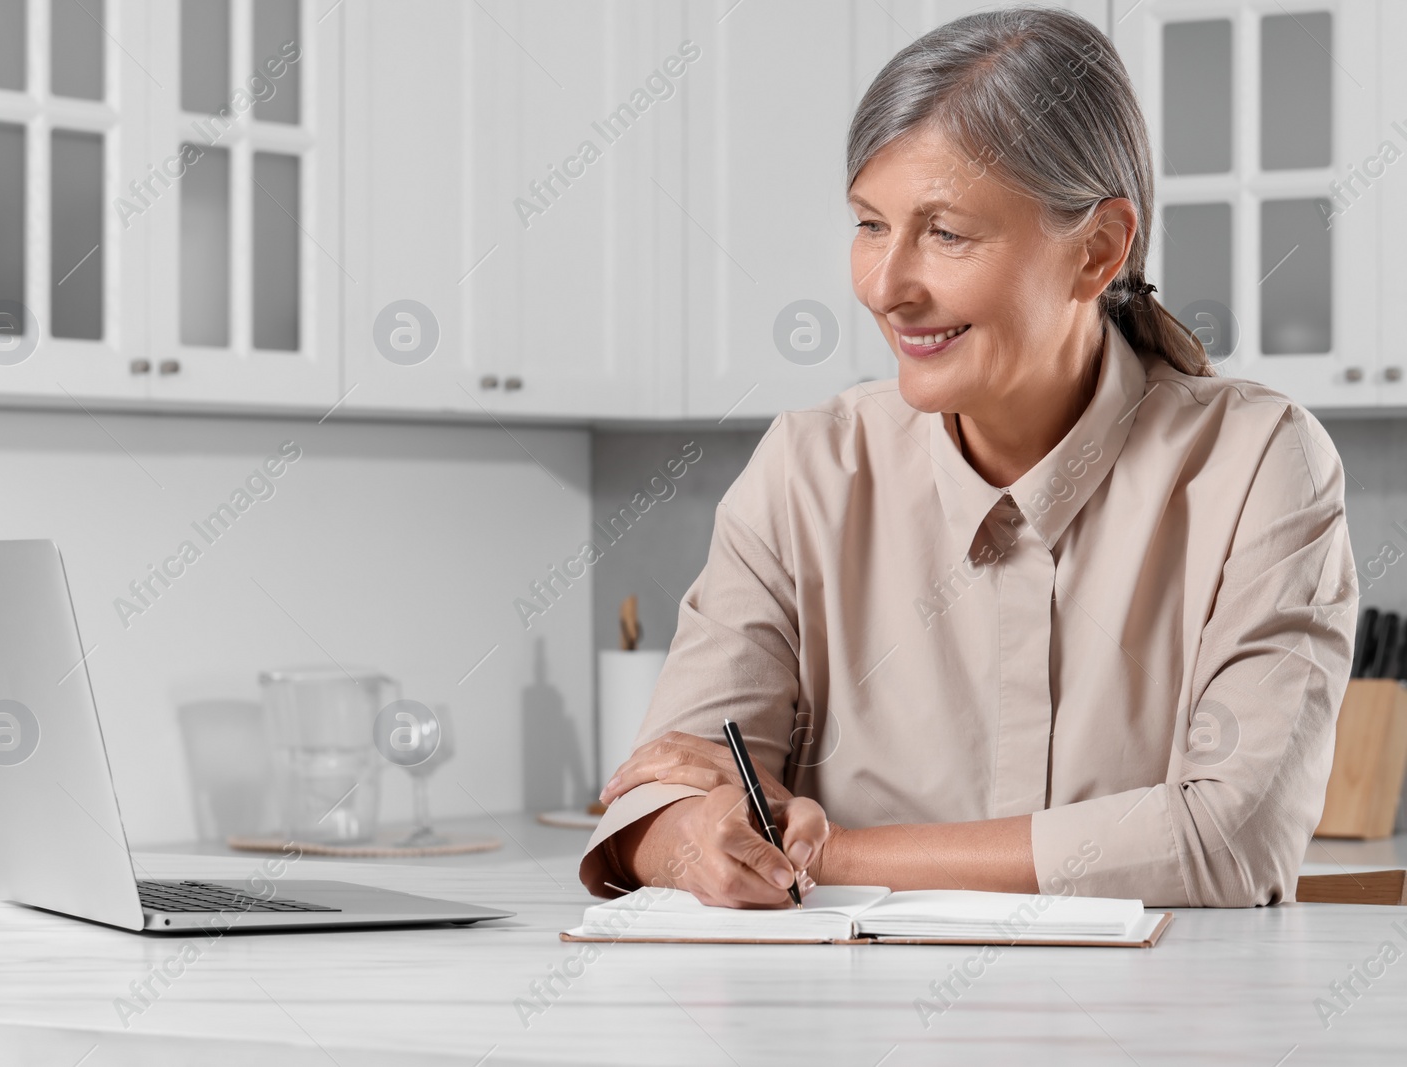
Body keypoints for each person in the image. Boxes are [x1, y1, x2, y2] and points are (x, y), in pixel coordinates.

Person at [580, 7, 1358, 909]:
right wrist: (685, 841)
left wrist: (829, 856)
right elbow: (662, 787)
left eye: (945, 233)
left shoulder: (1259, 464)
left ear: (1097, 250)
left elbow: (1229, 841)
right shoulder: (807, 470)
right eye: (871, 224)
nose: (885, 286)